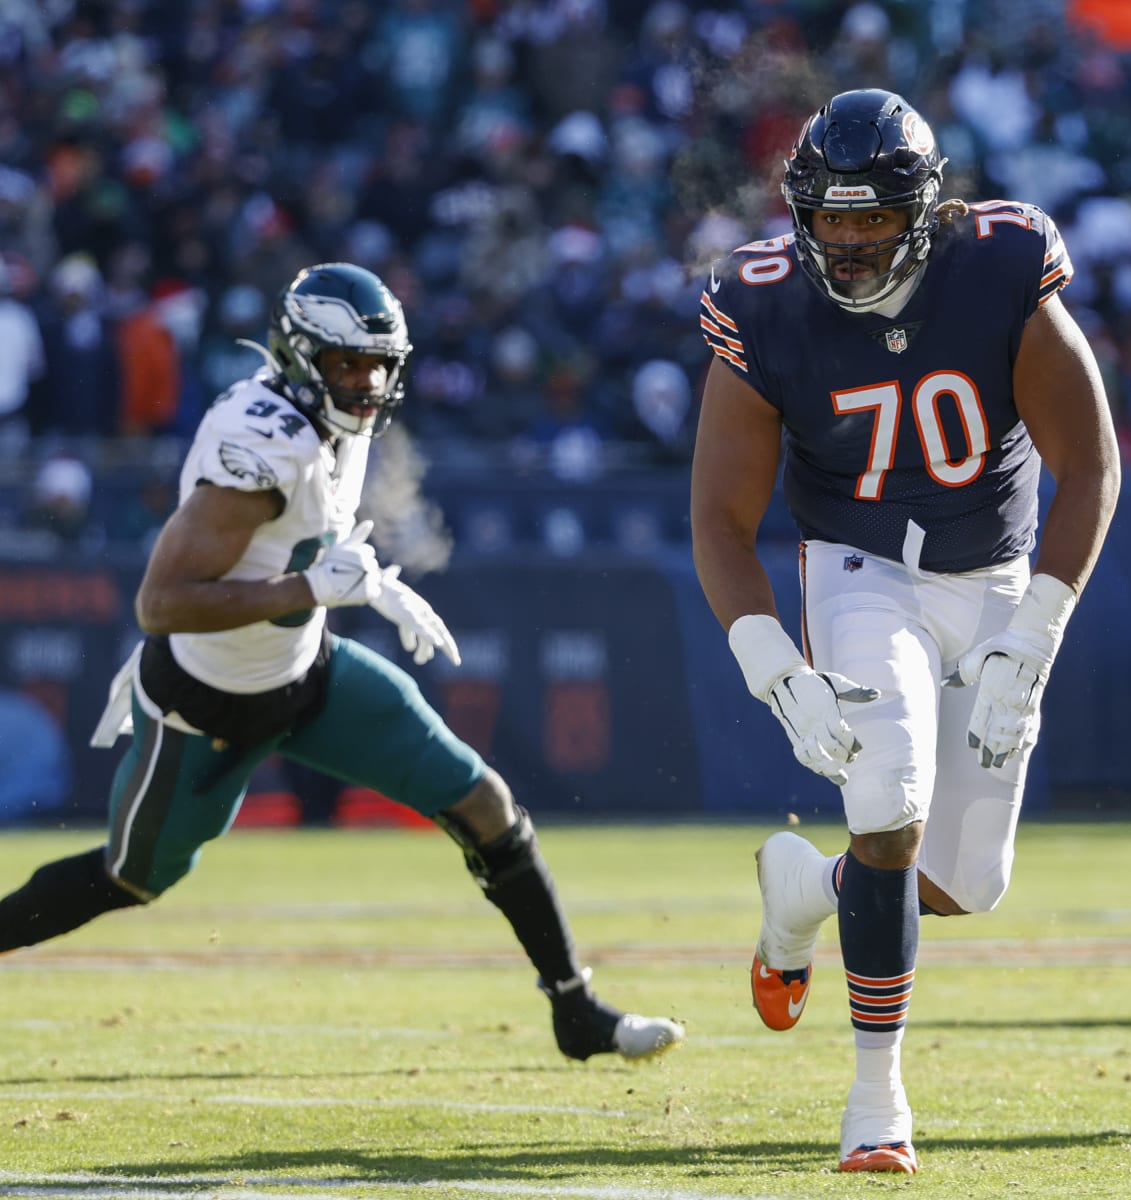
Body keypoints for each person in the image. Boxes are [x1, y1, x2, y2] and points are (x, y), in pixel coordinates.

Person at [0, 263, 682, 1065]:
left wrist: (368, 583)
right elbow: (162, 603)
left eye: (377, 365)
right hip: (206, 702)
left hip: (307, 673)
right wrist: (308, 587)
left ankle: (575, 1007)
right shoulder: (263, 443)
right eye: (347, 364)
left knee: (483, 802)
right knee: (134, 875)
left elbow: (308, 540)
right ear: (300, 357)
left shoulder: (341, 428)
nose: (365, 384)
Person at [690, 89, 1119, 1173]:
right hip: (859, 567)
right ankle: (876, 1097)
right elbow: (720, 519)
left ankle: (807, 889)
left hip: (997, 575)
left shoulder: (999, 265)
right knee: (886, 804)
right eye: (829, 219)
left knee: (965, 882)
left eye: (872, 217)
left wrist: (1038, 631)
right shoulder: (764, 303)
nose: (847, 242)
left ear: (922, 210)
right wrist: (773, 665)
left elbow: (1092, 466)